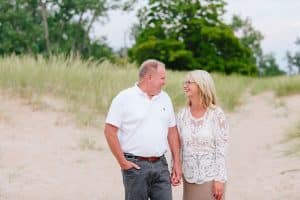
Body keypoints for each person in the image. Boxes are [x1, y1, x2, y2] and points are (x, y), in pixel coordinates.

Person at [104, 59, 182, 200]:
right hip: (135, 167)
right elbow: (109, 131)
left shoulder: (165, 98)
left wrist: (176, 162)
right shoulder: (124, 98)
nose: (165, 82)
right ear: (149, 77)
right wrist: (122, 162)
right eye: (162, 78)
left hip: (161, 165)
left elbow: (172, 131)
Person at [176, 70, 228, 200]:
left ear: (201, 85)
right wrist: (175, 169)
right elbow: (178, 146)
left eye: (189, 82)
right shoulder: (182, 115)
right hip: (189, 178)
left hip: (211, 179)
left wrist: (219, 179)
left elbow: (221, 148)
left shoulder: (216, 114)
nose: (185, 85)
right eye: (185, 82)